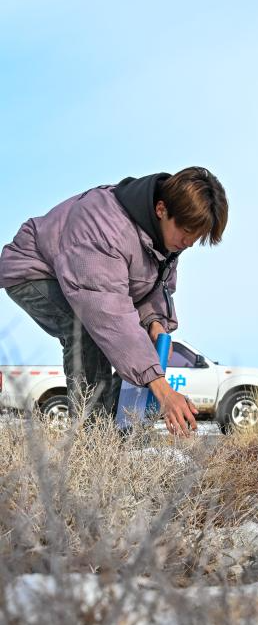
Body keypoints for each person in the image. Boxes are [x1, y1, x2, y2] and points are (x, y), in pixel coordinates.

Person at [0, 166, 228, 435]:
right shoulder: (104, 226)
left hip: (89, 284)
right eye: (186, 230)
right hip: (35, 270)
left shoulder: (166, 240)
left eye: (197, 237)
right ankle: (94, 441)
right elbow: (105, 310)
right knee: (85, 330)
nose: (189, 242)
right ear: (161, 209)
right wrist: (162, 388)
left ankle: (123, 433)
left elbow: (151, 287)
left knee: (146, 342)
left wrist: (154, 321)